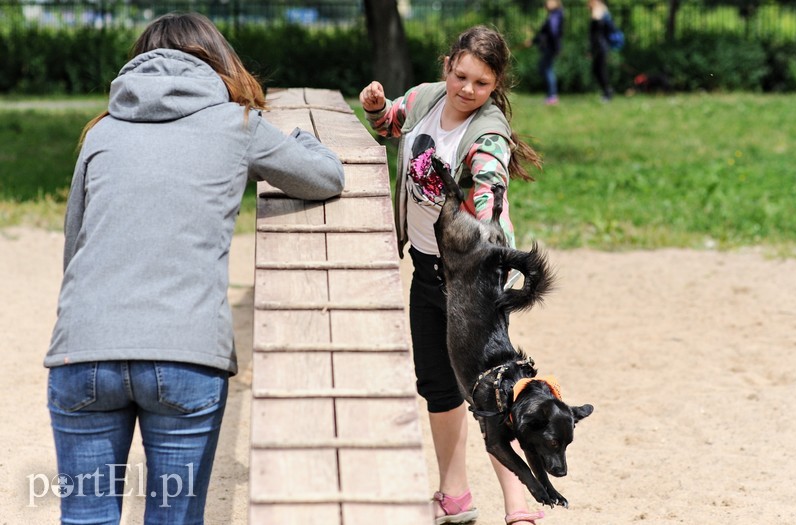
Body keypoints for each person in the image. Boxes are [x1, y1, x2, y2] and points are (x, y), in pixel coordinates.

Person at [45, 12, 344, 524]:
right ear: (219, 60)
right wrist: (305, 139)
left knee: (85, 518)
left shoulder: (101, 132)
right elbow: (324, 177)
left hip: (83, 351)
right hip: (184, 354)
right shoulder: (240, 124)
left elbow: (75, 248)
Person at [359, 25, 545, 525]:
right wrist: (376, 104)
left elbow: (489, 182)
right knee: (438, 387)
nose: (467, 89)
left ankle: (518, 502)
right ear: (447, 66)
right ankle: (455, 494)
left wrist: (482, 209)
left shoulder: (488, 133)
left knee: (490, 389)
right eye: (461, 76)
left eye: (481, 84)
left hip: (474, 278)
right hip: (426, 270)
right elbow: (388, 123)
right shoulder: (425, 98)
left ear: (496, 85)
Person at [535, 0, 564, 105]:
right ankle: (551, 95)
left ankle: (552, 96)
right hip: (550, 47)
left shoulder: (555, 15)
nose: (546, 3)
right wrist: (535, 40)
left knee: (547, 69)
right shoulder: (554, 14)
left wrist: (557, 48)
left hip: (550, 47)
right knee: (545, 68)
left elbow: (553, 31)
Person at [588, 0, 614, 101]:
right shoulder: (602, 15)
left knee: (600, 70)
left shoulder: (598, 16)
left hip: (600, 48)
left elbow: (595, 35)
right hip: (599, 47)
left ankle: (607, 92)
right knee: (597, 70)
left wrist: (592, 49)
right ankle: (606, 91)